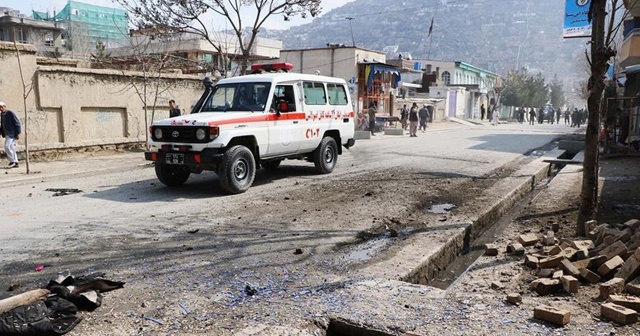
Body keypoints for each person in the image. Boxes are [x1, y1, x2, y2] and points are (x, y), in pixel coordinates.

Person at [0, 101, 21, 168]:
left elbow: (17, 123)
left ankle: (12, 161)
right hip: (7, 134)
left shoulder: (10, 113)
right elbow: (3, 125)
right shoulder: (2, 115)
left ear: (5, 106)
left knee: (7, 146)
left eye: (2, 107)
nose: (1, 108)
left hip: (12, 133)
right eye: (0, 107)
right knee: (12, 148)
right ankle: (16, 162)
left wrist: (17, 133)